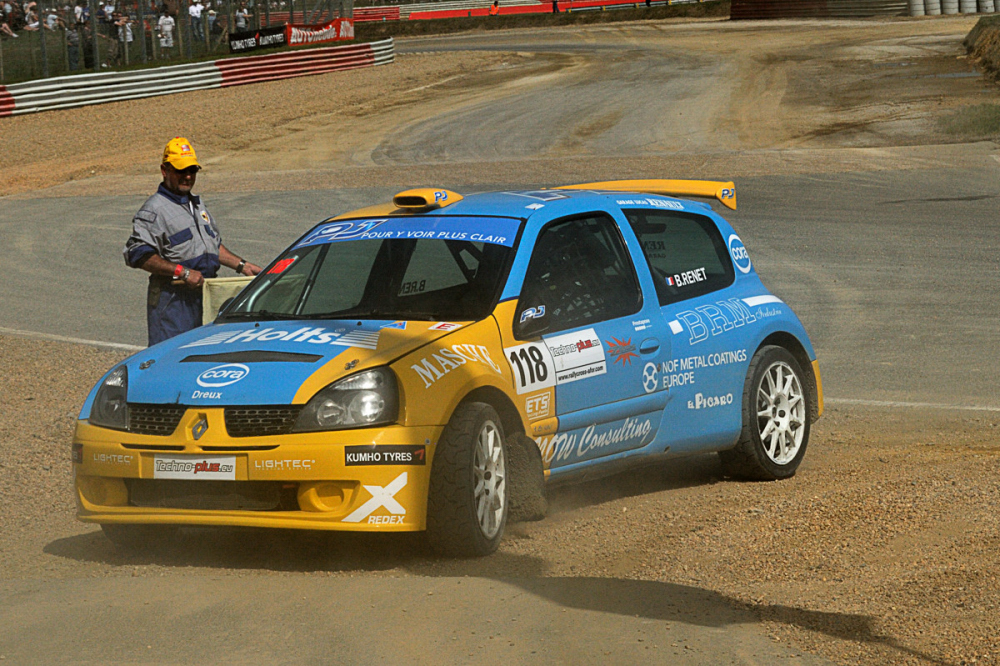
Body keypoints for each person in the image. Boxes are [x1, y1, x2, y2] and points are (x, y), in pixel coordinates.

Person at [124, 138, 262, 346]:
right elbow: (138, 255)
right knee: (172, 360)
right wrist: (183, 272)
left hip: (204, 296)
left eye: (192, 170)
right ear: (164, 170)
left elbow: (211, 246)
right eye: (181, 170)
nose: (188, 176)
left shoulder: (196, 204)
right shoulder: (154, 210)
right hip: (173, 302)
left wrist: (243, 266)